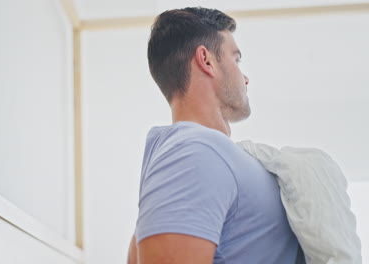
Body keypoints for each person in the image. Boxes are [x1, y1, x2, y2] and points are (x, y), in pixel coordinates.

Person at [128, 7, 301, 264]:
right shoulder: (192, 154)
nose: (245, 78)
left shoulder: (201, 154)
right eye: (236, 59)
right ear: (206, 60)